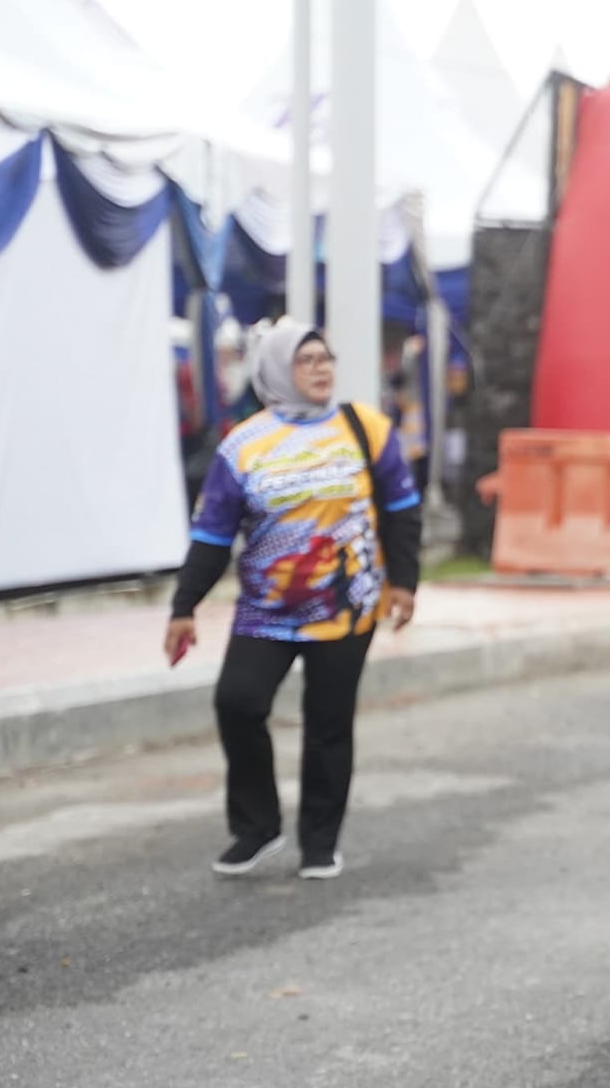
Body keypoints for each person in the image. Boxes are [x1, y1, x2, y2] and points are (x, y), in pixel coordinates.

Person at [167, 320, 423, 881]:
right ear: (278, 369)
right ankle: (257, 827)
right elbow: (212, 536)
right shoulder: (242, 446)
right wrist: (184, 606)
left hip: (347, 606)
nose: (319, 369)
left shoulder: (366, 428)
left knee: (328, 723)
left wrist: (405, 582)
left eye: (325, 358)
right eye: (305, 360)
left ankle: (320, 842)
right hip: (266, 612)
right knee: (238, 703)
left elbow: (402, 510)